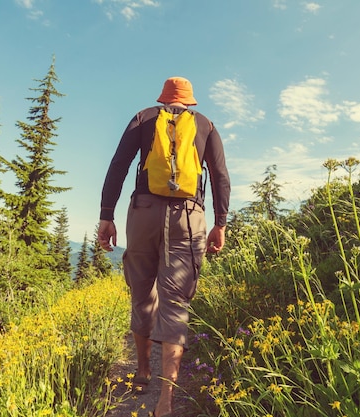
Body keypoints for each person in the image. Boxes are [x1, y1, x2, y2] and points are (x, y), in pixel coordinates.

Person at [97, 76, 230, 417]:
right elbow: (220, 176)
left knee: (142, 291)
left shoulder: (144, 118)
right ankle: (166, 399)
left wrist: (106, 215)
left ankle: (142, 370)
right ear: (190, 100)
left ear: (163, 97)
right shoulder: (205, 125)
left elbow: (118, 165)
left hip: (142, 211)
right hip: (189, 216)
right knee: (176, 301)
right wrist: (220, 223)